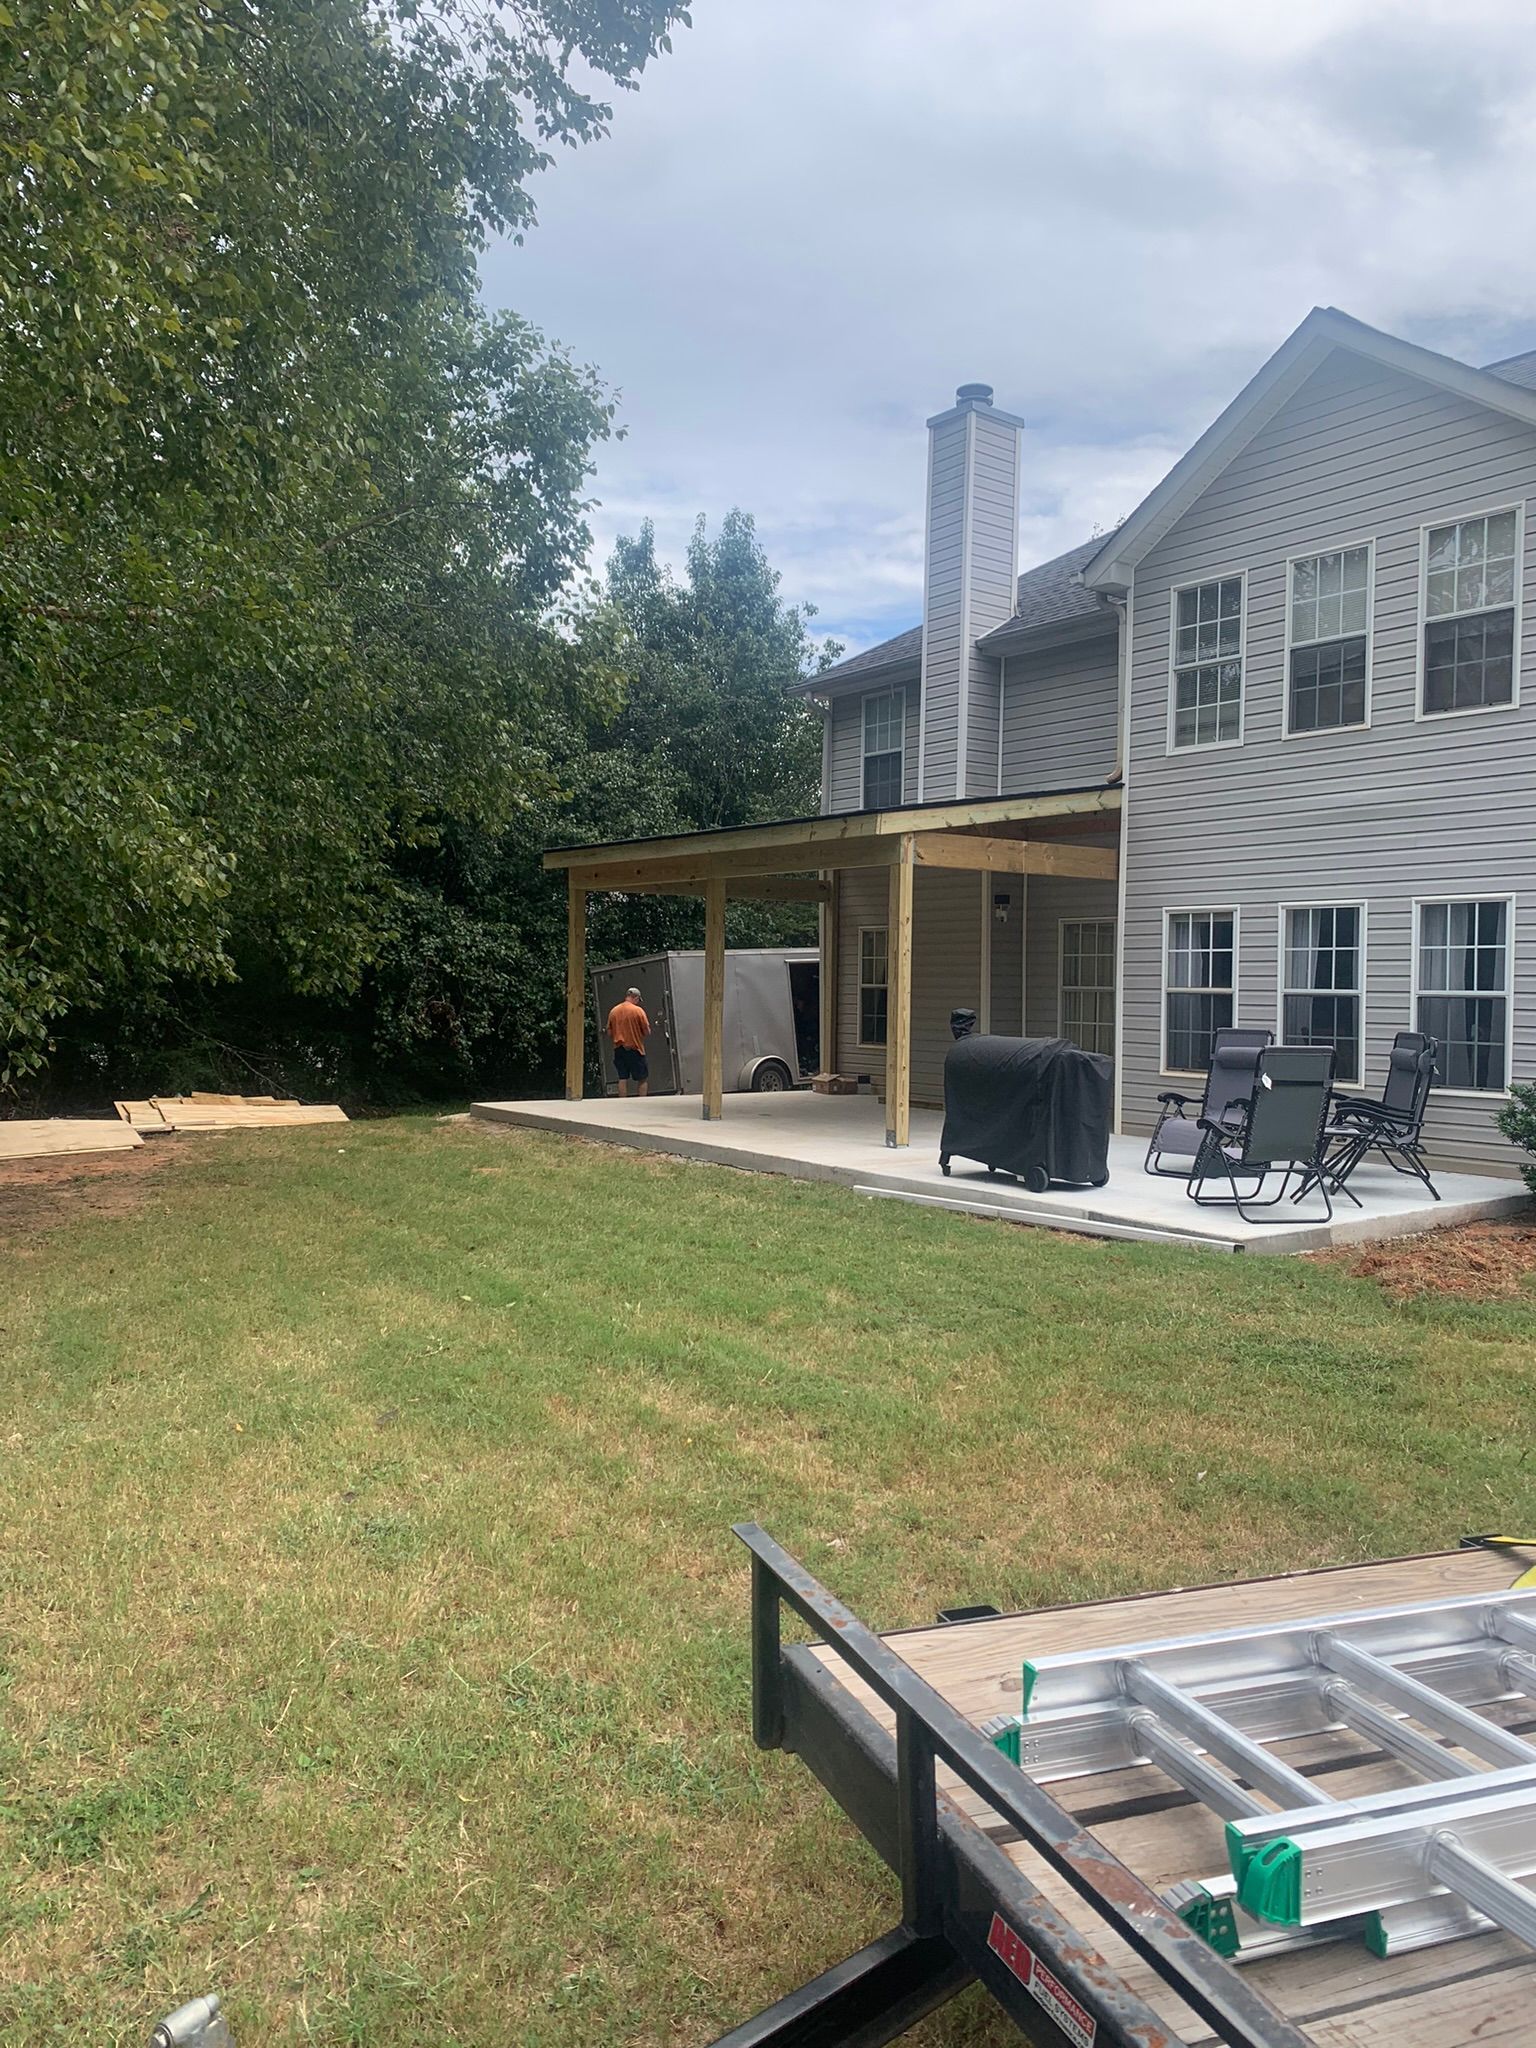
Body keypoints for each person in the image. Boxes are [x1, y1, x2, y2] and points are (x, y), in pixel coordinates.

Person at [606, 985, 651, 1098]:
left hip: (619, 1049)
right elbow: (646, 1031)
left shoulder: (613, 1011)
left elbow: (609, 1032)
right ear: (635, 997)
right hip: (635, 1049)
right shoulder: (638, 1011)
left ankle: (622, 1102)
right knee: (642, 1078)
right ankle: (642, 1101)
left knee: (622, 1078)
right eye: (638, 1000)